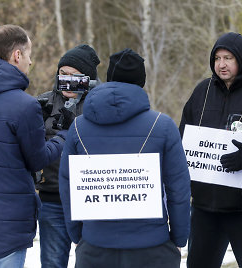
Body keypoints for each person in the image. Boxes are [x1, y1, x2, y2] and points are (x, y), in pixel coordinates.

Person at [59, 48, 190, 268]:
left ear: (109, 77)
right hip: (152, 247)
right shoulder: (163, 125)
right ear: (141, 82)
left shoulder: (78, 126)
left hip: (95, 245)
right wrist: (179, 237)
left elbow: (67, 185)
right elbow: (179, 188)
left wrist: (78, 235)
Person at [0, 25, 66, 267]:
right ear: (17, 55)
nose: (31, 61)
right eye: (29, 54)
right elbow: (38, 159)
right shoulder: (24, 106)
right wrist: (62, 137)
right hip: (7, 226)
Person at [179, 32, 242, 268]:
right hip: (203, 205)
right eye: (217, 58)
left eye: (228, 58)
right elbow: (184, 137)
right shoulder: (202, 91)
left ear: (241, 59)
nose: (222, 64)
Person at [35, 44, 100, 268]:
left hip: (92, 197)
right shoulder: (42, 104)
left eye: (75, 76)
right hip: (52, 197)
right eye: (63, 74)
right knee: (53, 263)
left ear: (88, 79)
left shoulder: (100, 106)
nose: (68, 81)